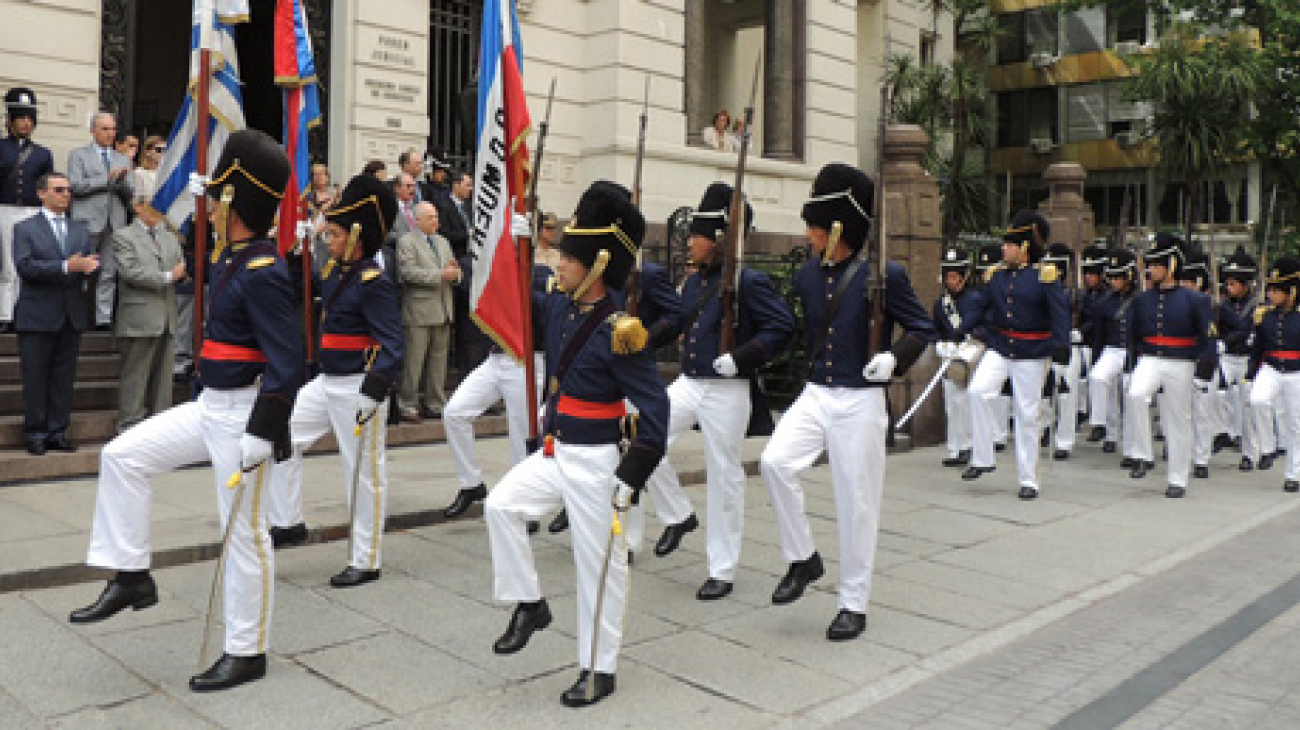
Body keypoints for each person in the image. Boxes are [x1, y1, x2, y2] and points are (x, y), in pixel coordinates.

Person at [71, 129, 302, 693]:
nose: (214, 205)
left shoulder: (265, 269)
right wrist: (196, 210)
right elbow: (198, 254)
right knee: (123, 456)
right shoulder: (233, 257)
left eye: (220, 197)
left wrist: (264, 430)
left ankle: (247, 651)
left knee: (244, 533)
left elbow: (289, 362)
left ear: (236, 206)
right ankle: (131, 576)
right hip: (209, 407)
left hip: (244, 416)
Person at [483, 180, 668, 707]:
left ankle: (598, 668)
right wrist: (514, 252)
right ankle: (530, 603)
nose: (557, 263)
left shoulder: (621, 330)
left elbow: (656, 411)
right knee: (501, 506)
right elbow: (518, 304)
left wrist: (629, 479)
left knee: (600, 569)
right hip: (555, 451)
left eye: (566, 257)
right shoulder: (561, 307)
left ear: (596, 264)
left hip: (596, 464)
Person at [759, 162, 933, 640]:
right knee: (775, 462)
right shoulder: (808, 276)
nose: (807, 235)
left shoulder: (886, 276)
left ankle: (853, 602)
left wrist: (893, 360)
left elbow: (922, 328)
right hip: (818, 391)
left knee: (856, 501)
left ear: (836, 227)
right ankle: (803, 559)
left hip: (861, 399)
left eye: (813, 226)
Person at [637, 181, 794, 600]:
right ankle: (678, 514)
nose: (689, 242)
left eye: (697, 236)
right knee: (640, 437)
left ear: (719, 239)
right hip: (690, 382)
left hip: (728, 389)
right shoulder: (695, 283)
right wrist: (640, 339)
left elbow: (782, 327)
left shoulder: (749, 281)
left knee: (724, 476)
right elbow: (676, 321)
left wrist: (742, 357)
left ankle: (721, 568)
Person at [267, 173, 403, 582]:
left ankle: (366, 558)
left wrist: (375, 388)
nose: (330, 239)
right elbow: (296, 290)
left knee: (363, 473)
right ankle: (287, 520)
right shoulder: (335, 271)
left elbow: (394, 343)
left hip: (358, 387)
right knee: (282, 434)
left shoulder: (373, 282)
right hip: (328, 381)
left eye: (336, 233)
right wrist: (295, 255)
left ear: (358, 237)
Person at [959, 210, 1071, 499]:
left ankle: (1029, 480)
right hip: (1000, 346)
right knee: (977, 392)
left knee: (1026, 413)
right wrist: (961, 328)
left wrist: (1061, 348)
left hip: (1032, 352)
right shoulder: (995, 276)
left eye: (1009, 244)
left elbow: (1059, 313)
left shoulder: (1044, 276)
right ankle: (982, 459)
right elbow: (981, 306)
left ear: (1023, 249)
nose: (1003, 249)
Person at [13, 172, 99, 455]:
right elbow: (25, 267)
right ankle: (36, 432)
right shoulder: (25, 229)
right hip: (37, 315)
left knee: (63, 378)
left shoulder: (79, 230)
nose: (65, 195)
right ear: (41, 194)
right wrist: (65, 266)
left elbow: (83, 265)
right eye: (59, 190)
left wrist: (87, 267)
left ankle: (57, 431)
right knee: (36, 377)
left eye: (68, 190)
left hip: (70, 313)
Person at [1125, 233, 1213, 498]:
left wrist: (1203, 371)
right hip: (1150, 357)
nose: (1150, 269)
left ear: (1172, 265)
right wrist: (1132, 364)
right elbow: (1133, 336)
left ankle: (1177, 478)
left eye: (1156, 264)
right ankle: (1143, 454)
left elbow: (1207, 336)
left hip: (1181, 361)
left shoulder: (1195, 300)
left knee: (1178, 421)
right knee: (1135, 394)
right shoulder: (1142, 299)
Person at [111, 198, 185, 432]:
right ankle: (130, 426)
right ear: (137, 206)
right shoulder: (124, 236)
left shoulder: (169, 237)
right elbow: (130, 271)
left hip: (167, 316)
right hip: (139, 318)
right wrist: (167, 277)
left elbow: (180, 267)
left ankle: (159, 428)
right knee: (136, 375)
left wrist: (180, 275)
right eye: (149, 204)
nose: (156, 211)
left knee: (163, 379)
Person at [1178, 251, 1243, 480]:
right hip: (1183, 361)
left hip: (1206, 362)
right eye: (1183, 280)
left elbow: (1241, 327)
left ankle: (1201, 459)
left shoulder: (1216, 306)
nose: (1184, 285)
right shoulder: (1178, 304)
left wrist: (1223, 343)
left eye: (1189, 281)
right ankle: (1182, 454)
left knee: (1203, 413)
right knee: (1181, 413)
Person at [68, 112, 134, 329]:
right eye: (105, 129)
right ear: (93, 130)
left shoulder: (122, 159)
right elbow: (76, 186)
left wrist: (122, 182)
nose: (110, 134)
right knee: (82, 270)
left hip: (114, 222)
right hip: (88, 220)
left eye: (113, 129)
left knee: (109, 271)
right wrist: (106, 179)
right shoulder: (78, 155)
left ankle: (103, 318)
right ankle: (78, 316)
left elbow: (130, 193)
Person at [396, 201, 459, 421]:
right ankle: (408, 404)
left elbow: (452, 269)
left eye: (436, 216)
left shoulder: (442, 241)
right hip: (419, 311)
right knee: (414, 362)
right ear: (417, 220)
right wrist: (440, 275)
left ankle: (435, 402)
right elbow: (407, 272)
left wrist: (455, 274)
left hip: (443, 308)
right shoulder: (407, 242)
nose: (436, 221)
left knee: (438, 362)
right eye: (431, 217)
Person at [1, 87, 55, 333]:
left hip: (32, 211)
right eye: (20, 118)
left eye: (29, 119)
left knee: (30, 262)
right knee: (8, 264)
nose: (25, 123)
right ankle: (5, 313)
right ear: (11, 120)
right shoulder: (2, 147)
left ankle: (27, 313)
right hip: (5, 209)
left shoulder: (43, 154)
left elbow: (48, 186)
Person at [1246, 255, 1300, 493]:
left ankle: (1293, 474)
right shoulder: (1264, 315)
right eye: (1271, 290)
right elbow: (1257, 347)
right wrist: (1250, 373)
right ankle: (1268, 448)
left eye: (1277, 291)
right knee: (1257, 400)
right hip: (1270, 367)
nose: (1271, 295)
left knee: (1295, 425)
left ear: (1291, 292)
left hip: (1296, 372)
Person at [1088, 249, 1141, 464]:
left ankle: (1129, 450)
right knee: (1098, 377)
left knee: (1129, 397)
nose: (1114, 281)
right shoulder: (1104, 302)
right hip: (1111, 349)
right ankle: (1101, 424)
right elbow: (1099, 335)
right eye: (1112, 277)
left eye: (1119, 277)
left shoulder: (1140, 300)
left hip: (1132, 352)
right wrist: (1095, 359)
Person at [934, 245, 979, 467]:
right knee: (951, 404)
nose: (950, 281)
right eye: (947, 276)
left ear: (964, 276)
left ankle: (968, 446)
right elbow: (937, 331)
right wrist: (940, 345)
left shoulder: (975, 299)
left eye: (954, 276)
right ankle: (954, 448)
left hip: (970, 357)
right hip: (949, 358)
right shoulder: (940, 305)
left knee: (965, 402)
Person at [1040, 243, 1083, 460]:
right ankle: (1045, 428)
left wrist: (1077, 332)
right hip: (1047, 345)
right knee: (1045, 393)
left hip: (1070, 347)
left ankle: (1064, 441)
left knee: (1067, 395)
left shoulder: (1075, 293)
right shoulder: (1044, 291)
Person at [1220, 247, 1262, 469]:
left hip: (1247, 360)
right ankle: (1223, 432)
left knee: (1247, 405)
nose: (1229, 287)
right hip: (1227, 357)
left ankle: (1249, 453)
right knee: (1214, 391)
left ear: (1245, 285)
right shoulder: (1222, 307)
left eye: (1234, 284)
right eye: (1228, 283)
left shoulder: (1258, 307)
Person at [1079, 243, 1110, 443]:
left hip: (1103, 344)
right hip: (1085, 344)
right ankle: (1092, 418)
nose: (1088, 277)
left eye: (1093, 273)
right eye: (1086, 273)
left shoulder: (1107, 296)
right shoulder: (1084, 295)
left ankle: (1104, 424)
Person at [131, 135, 165, 201]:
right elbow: (137, 201)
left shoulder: (166, 173)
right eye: (159, 150)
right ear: (147, 152)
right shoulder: (139, 173)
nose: (163, 153)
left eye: (165, 150)